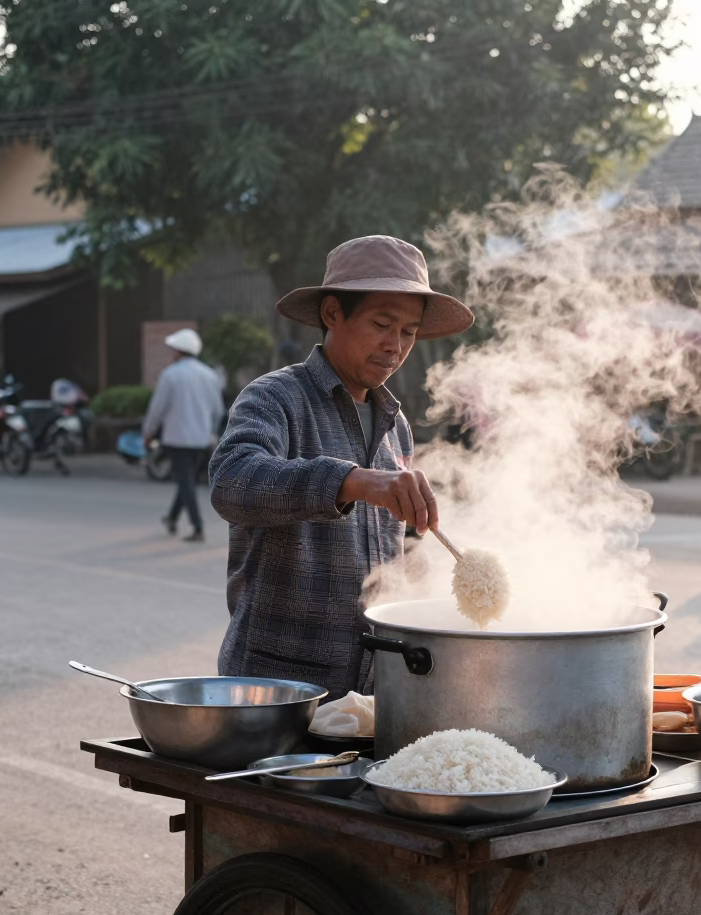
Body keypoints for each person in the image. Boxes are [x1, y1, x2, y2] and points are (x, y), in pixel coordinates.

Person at [209, 235, 474, 701]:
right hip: (278, 689)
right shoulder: (275, 397)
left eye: (408, 332)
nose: (395, 346)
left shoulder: (396, 426)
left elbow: (402, 554)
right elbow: (233, 483)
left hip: (375, 690)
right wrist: (352, 481)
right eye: (381, 324)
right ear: (333, 314)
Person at [142, 328, 225, 542]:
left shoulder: (170, 374)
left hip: (177, 438)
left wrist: (148, 433)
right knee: (186, 479)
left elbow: (157, 409)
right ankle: (171, 518)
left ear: (179, 351)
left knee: (186, 480)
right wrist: (213, 433)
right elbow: (218, 410)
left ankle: (197, 527)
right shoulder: (210, 375)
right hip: (201, 439)